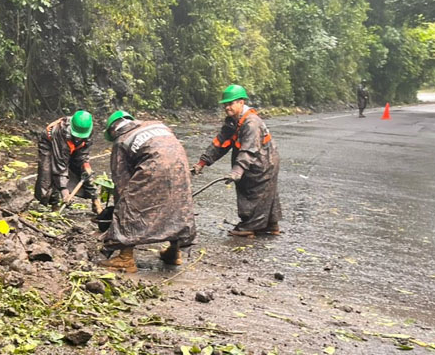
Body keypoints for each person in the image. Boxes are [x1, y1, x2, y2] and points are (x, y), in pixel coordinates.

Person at [98, 111, 197, 273]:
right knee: (176, 205)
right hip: (181, 168)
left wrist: (118, 212)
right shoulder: (156, 124)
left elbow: (121, 184)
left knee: (129, 205)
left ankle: (125, 258)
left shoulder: (121, 141)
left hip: (153, 170)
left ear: (112, 131)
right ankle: (174, 252)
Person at [191, 84, 281, 238]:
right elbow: (220, 142)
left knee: (254, 192)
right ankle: (271, 225)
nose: (227, 107)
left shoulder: (251, 123)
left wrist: (237, 171)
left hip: (263, 161)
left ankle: (249, 226)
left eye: (230, 103)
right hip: (255, 159)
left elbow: (248, 150)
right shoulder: (233, 121)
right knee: (265, 193)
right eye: (225, 104)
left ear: (241, 102)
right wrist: (202, 163)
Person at [34, 110, 102, 214]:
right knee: (48, 173)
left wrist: (86, 170)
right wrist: (64, 192)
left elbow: (83, 156)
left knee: (85, 171)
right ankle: (54, 204)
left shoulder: (88, 130)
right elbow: (60, 166)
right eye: (77, 135)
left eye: (82, 136)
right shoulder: (60, 132)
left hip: (74, 146)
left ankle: (95, 200)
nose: (79, 137)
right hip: (49, 144)